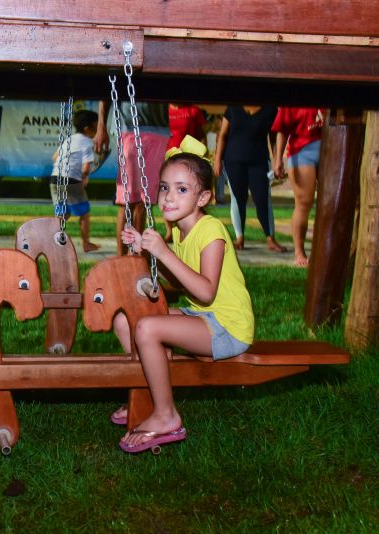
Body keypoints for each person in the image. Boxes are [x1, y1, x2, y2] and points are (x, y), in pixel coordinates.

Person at [112, 136, 254, 454]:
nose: (168, 198)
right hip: (201, 318)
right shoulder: (179, 230)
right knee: (126, 320)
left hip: (226, 325)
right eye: (164, 187)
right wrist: (148, 254)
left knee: (148, 328)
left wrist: (162, 252)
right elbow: (179, 280)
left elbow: (205, 291)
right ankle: (146, 395)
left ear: (203, 197)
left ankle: (167, 415)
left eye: (181, 189)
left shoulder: (211, 231)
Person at [96, 100, 170, 254]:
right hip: (128, 128)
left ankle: (136, 256)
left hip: (159, 130)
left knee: (145, 202)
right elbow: (105, 93)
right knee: (126, 202)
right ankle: (121, 258)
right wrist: (101, 126)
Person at [213, 105, 286, 253]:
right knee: (238, 197)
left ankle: (270, 239)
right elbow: (223, 135)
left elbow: (273, 138)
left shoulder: (270, 109)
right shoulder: (233, 108)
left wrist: (277, 160)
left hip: (259, 161)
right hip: (233, 160)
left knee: (263, 198)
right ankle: (239, 238)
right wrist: (217, 159)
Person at [272, 107, 326, 267]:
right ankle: (299, 251)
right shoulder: (293, 98)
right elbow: (281, 130)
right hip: (302, 152)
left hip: (330, 150)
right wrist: (278, 160)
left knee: (331, 204)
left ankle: (324, 250)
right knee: (303, 203)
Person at [50, 109, 101, 253]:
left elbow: (55, 157)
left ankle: (53, 242)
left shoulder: (69, 139)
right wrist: (85, 177)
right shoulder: (87, 143)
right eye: (97, 126)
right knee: (84, 212)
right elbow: (85, 168)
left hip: (55, 178)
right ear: (88, 128)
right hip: (71, 179)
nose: (98, 129)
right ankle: (86, 244)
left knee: (62, 213)